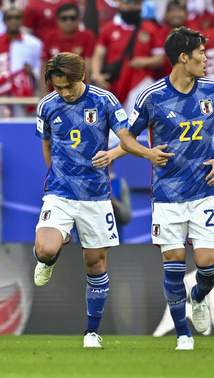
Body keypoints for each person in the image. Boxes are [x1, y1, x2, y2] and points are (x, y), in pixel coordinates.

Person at [118, 27, 214, 351]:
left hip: (206, 189)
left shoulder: (212, 91)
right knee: (175, 260)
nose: (206, 59)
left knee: (209, 264)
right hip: (168, 194)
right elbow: (126, 136)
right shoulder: (152, 96)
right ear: (184, 57)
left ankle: (198, 298)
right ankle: (183, 334)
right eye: (201, 53)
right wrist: (147, 152)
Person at [33, 52, 129, 348]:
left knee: (95, 263)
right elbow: (47, 145)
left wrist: (112, 154)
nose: (63, 92)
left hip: (97, 196)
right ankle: (49, 259)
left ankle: (91, 332)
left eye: (68, 87)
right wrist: (56, 177)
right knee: (45, 248)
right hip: (60, 193)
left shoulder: (105, 101)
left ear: (81, 77)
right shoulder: (47, 106)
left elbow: (129, 140)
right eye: (57, 87)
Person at [91, 0, 163, 109]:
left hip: (141, 84)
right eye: (126, 0)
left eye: (135, 1)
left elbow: (160, 59)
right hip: (114, 87)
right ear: (119, 2)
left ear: (141, 4)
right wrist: (96, 74)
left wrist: (143, 62)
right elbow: (98, 55)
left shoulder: (151, 28)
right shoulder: (109, 28)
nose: (131, 4)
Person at [0, 0, 42, 119]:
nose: (13, 21)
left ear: (22, 20)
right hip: (2, 96)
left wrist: (31, 73)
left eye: (17, 17)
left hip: (24, 96)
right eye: (10, 18)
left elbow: (41, 69)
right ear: (4, 20)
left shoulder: (33, 43)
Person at [41, 3, 96, 94]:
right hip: (55, 92)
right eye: (64, 18)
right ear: (57, 20)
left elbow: (88, 65)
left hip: (79, 92)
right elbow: (44, 65)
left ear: (78, 19)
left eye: (72, 18)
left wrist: (88, 93)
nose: (68, 21)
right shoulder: (50, 37)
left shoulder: (87, 36)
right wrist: (44, 91)